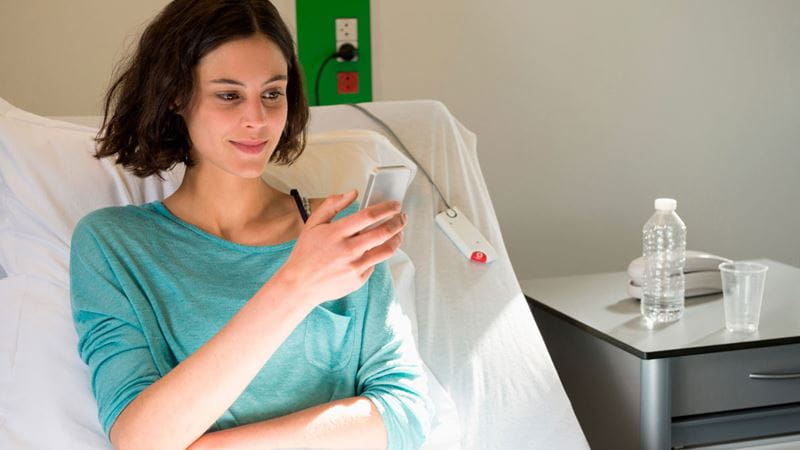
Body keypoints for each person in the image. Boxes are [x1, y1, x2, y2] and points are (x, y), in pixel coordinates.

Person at [68, 1, 433, 449]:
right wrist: (296, 287)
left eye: (272, 94)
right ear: (176, 96)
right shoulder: (114, 244)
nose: (257, 120)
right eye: (229, 95)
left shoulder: (337, 234)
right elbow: (139, 439)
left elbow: (406, 413)